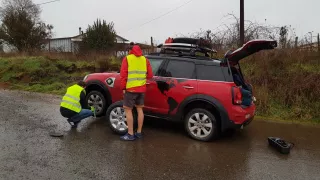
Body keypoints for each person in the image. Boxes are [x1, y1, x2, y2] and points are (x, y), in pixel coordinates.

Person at [120, 43, 153, 141]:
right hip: (142, 89)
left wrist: (123, 88)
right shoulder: (145, 59)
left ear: (130, 50)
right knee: (139, 109)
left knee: (128, 109)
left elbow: (123, 75)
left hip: (130, 88)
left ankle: (130, 134)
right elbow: (150, 75)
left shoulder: (127, 59)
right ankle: (139, 132)